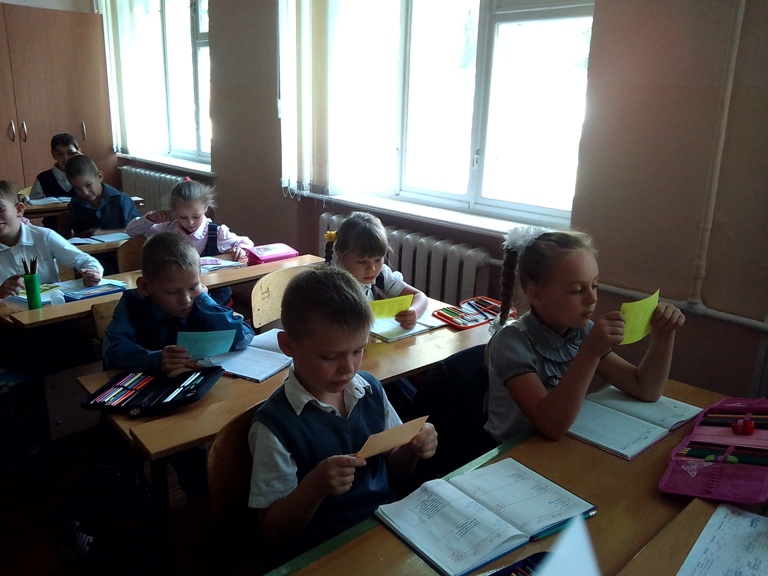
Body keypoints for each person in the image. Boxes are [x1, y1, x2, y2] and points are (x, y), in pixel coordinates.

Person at [248, 266, 437, 559]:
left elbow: (393, 474)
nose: (348, 368)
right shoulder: (275, 426)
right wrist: (315, 487)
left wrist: (411, 449)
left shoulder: (370, 390)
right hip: (323, 551)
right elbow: (274, 532)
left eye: (358, 351)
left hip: (385, 529)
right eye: (330, 356)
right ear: (288, 345)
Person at [484, 226, 686, 444]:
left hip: (557, 445)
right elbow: (550, 425)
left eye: (594, 285)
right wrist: (590, 352)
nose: (593, 298)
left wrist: (664, 333)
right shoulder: (511, 344)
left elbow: (645, 388)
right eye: (578, 290)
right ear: (537, 295)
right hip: (510, 452)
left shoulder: (581, 331)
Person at [102, 232, 254, 374]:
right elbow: (113, 351)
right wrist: (153, 359)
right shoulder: (132, 304)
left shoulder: (201, 304)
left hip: (195, 380)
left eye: (193, 287)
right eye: (172, 292)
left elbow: (244, 337)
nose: (186, 299)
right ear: (145, 287)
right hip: (147, 383)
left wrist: (206, 302)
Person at [125, 178, 253, 307]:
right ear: (175, 212)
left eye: (196, 216)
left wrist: (240, 248)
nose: (190, 222)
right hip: (179, 298)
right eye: (183, 217)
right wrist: (150, 218)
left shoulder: (217, 233)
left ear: (206, 208)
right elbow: (131, 231)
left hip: (214, 297)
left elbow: (246, 242)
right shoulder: (168, 229)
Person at [0, 180, 102, 299]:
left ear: (19, 209)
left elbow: (85, 260)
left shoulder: (43, 236)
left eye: (0, 208)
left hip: (51, 306)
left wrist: (93, 273)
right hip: (9, 309)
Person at [324, 211, 427, 330]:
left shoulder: (382, 276)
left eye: (378, 260)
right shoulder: (335, 288)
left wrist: (414, 311)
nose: (372, 268)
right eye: (362, 261)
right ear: (342, 257)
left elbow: (420, 296)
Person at [26, 133, 81, 229]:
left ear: (78, 152)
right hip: (53, 228)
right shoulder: (43, 178)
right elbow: (31, 206)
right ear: (53, 155)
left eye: (70, 153)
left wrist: (84, 162)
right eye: (59, 154)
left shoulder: (85, 175)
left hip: (82, 226)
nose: (65, 158)